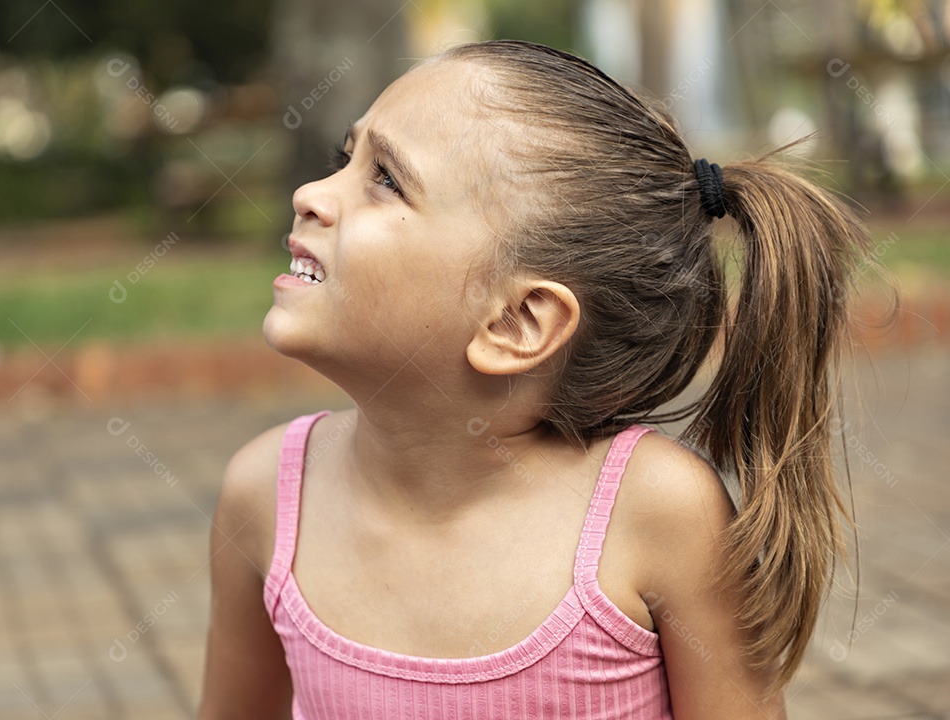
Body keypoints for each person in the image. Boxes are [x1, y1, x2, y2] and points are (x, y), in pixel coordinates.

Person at [198, 39, 870, 719]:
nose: (309, 193)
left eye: (385, 180)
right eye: (346, 158)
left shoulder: (653, 515)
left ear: (517, 322)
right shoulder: (266, 499)